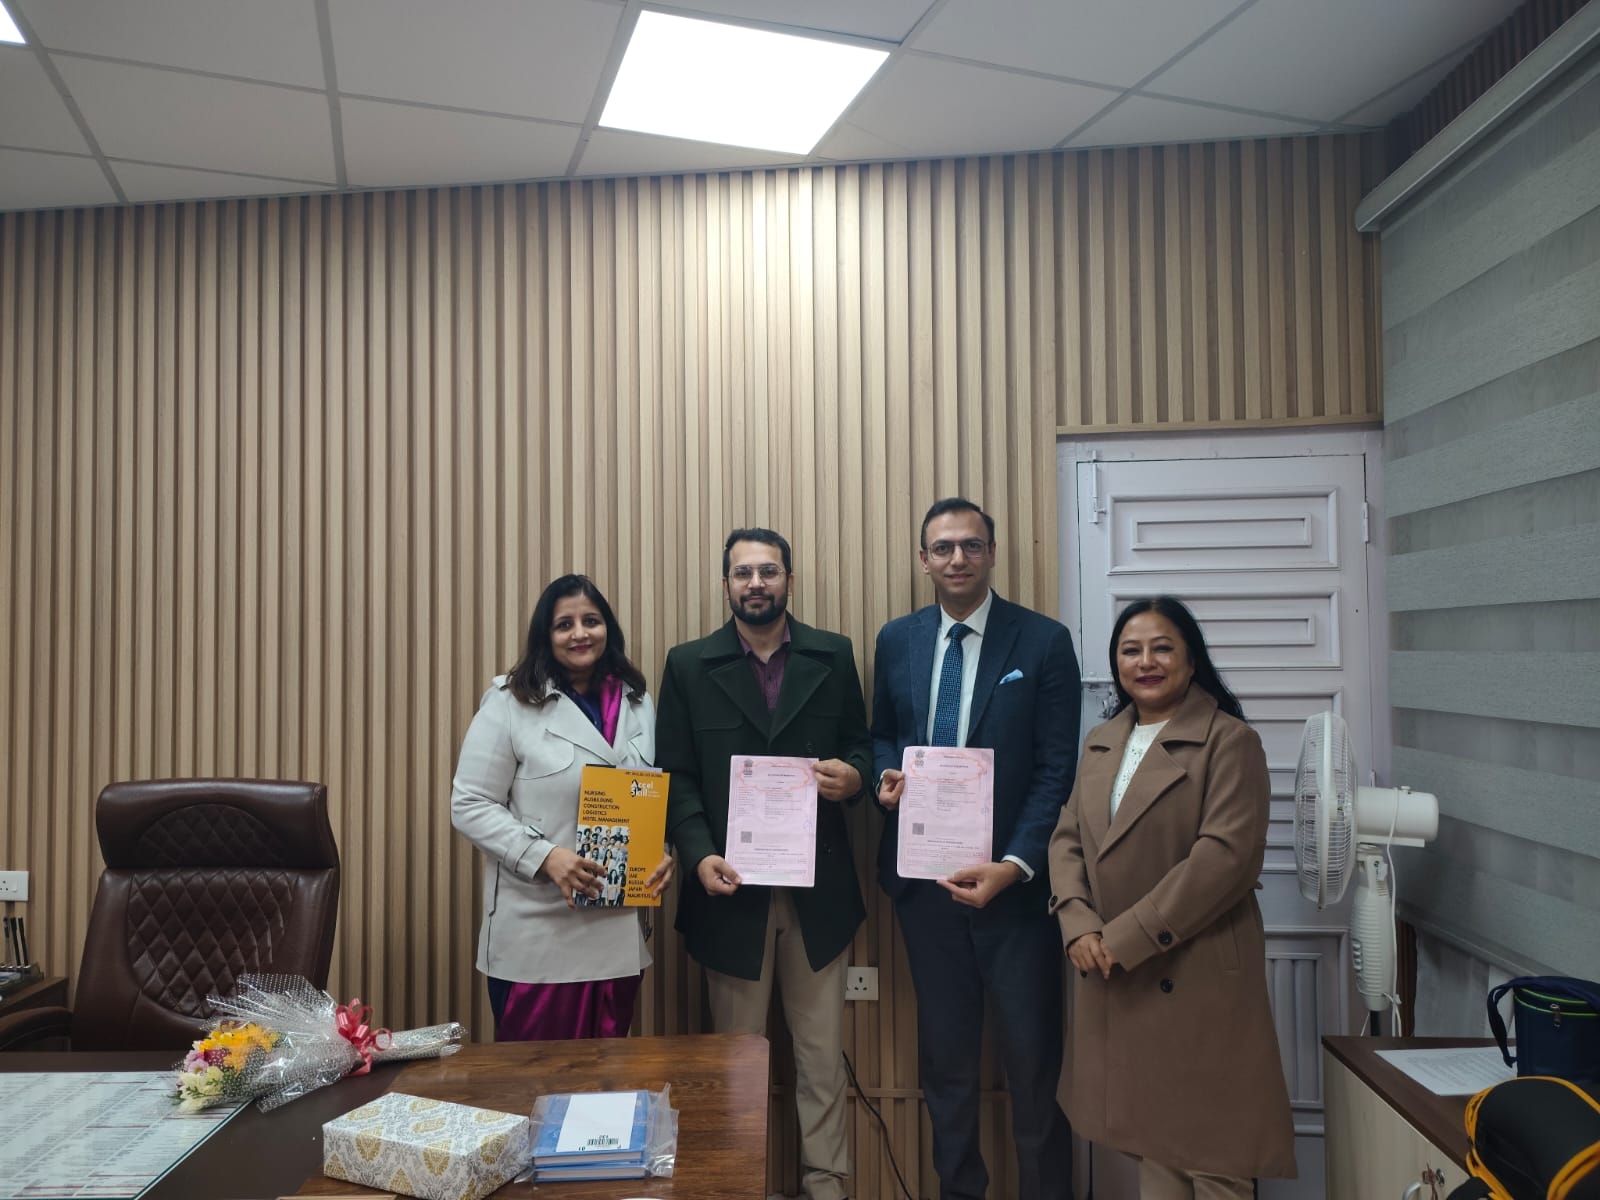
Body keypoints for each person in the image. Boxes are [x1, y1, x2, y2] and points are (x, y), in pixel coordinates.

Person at [1047, 596, 1296, 1199]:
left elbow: (1226, 859)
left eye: (1163, 648)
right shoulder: (1103, 740)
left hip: (1195, 967)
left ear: (1191, 660)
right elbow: (1068, 838)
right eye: (1130, 650)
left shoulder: (1230, 741)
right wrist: (1078, 926)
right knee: (1155, 1146)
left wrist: (1121, 938)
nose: (1146, 661)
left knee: (1215, 1153)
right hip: (1115, 968)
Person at [871, 497, 1078, 1200]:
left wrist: (1015, 864)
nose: (957, 558)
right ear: (923, 559)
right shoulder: (896, 640)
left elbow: (1057, 768)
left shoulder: (1043, 641)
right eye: (943, 547)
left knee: (1033, 1071)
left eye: (970, 545)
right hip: (926, 890)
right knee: (948, 1071)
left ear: (992, 553)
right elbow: (880, 734)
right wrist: (883, 775)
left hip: (1014, 895)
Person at [655, 527, 871, 1200]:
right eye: (743, 572)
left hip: (820, 893)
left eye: (768, 571)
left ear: (789, 581)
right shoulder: (689, 664)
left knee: (820, 1062)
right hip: (732, 892)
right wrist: (697, 855)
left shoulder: (833, 655)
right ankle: (735, 1187)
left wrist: (854, 778)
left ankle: (826, 1185)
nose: (756, 583)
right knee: (735, 1064)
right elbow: (675, 775)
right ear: (726, 585)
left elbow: (862, 746)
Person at [450, 574, 673, 1041]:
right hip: (537, 935)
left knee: (606, 1092)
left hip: (616, 934)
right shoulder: (509, 703)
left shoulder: (638, 703)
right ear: (544, 636)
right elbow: (469, 803)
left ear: (607, 628)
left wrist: (663, 852)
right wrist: (546, 857)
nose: (580, 634)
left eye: (591, 621)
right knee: (535, 1090)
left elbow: (646, 793)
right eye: (564, 624)